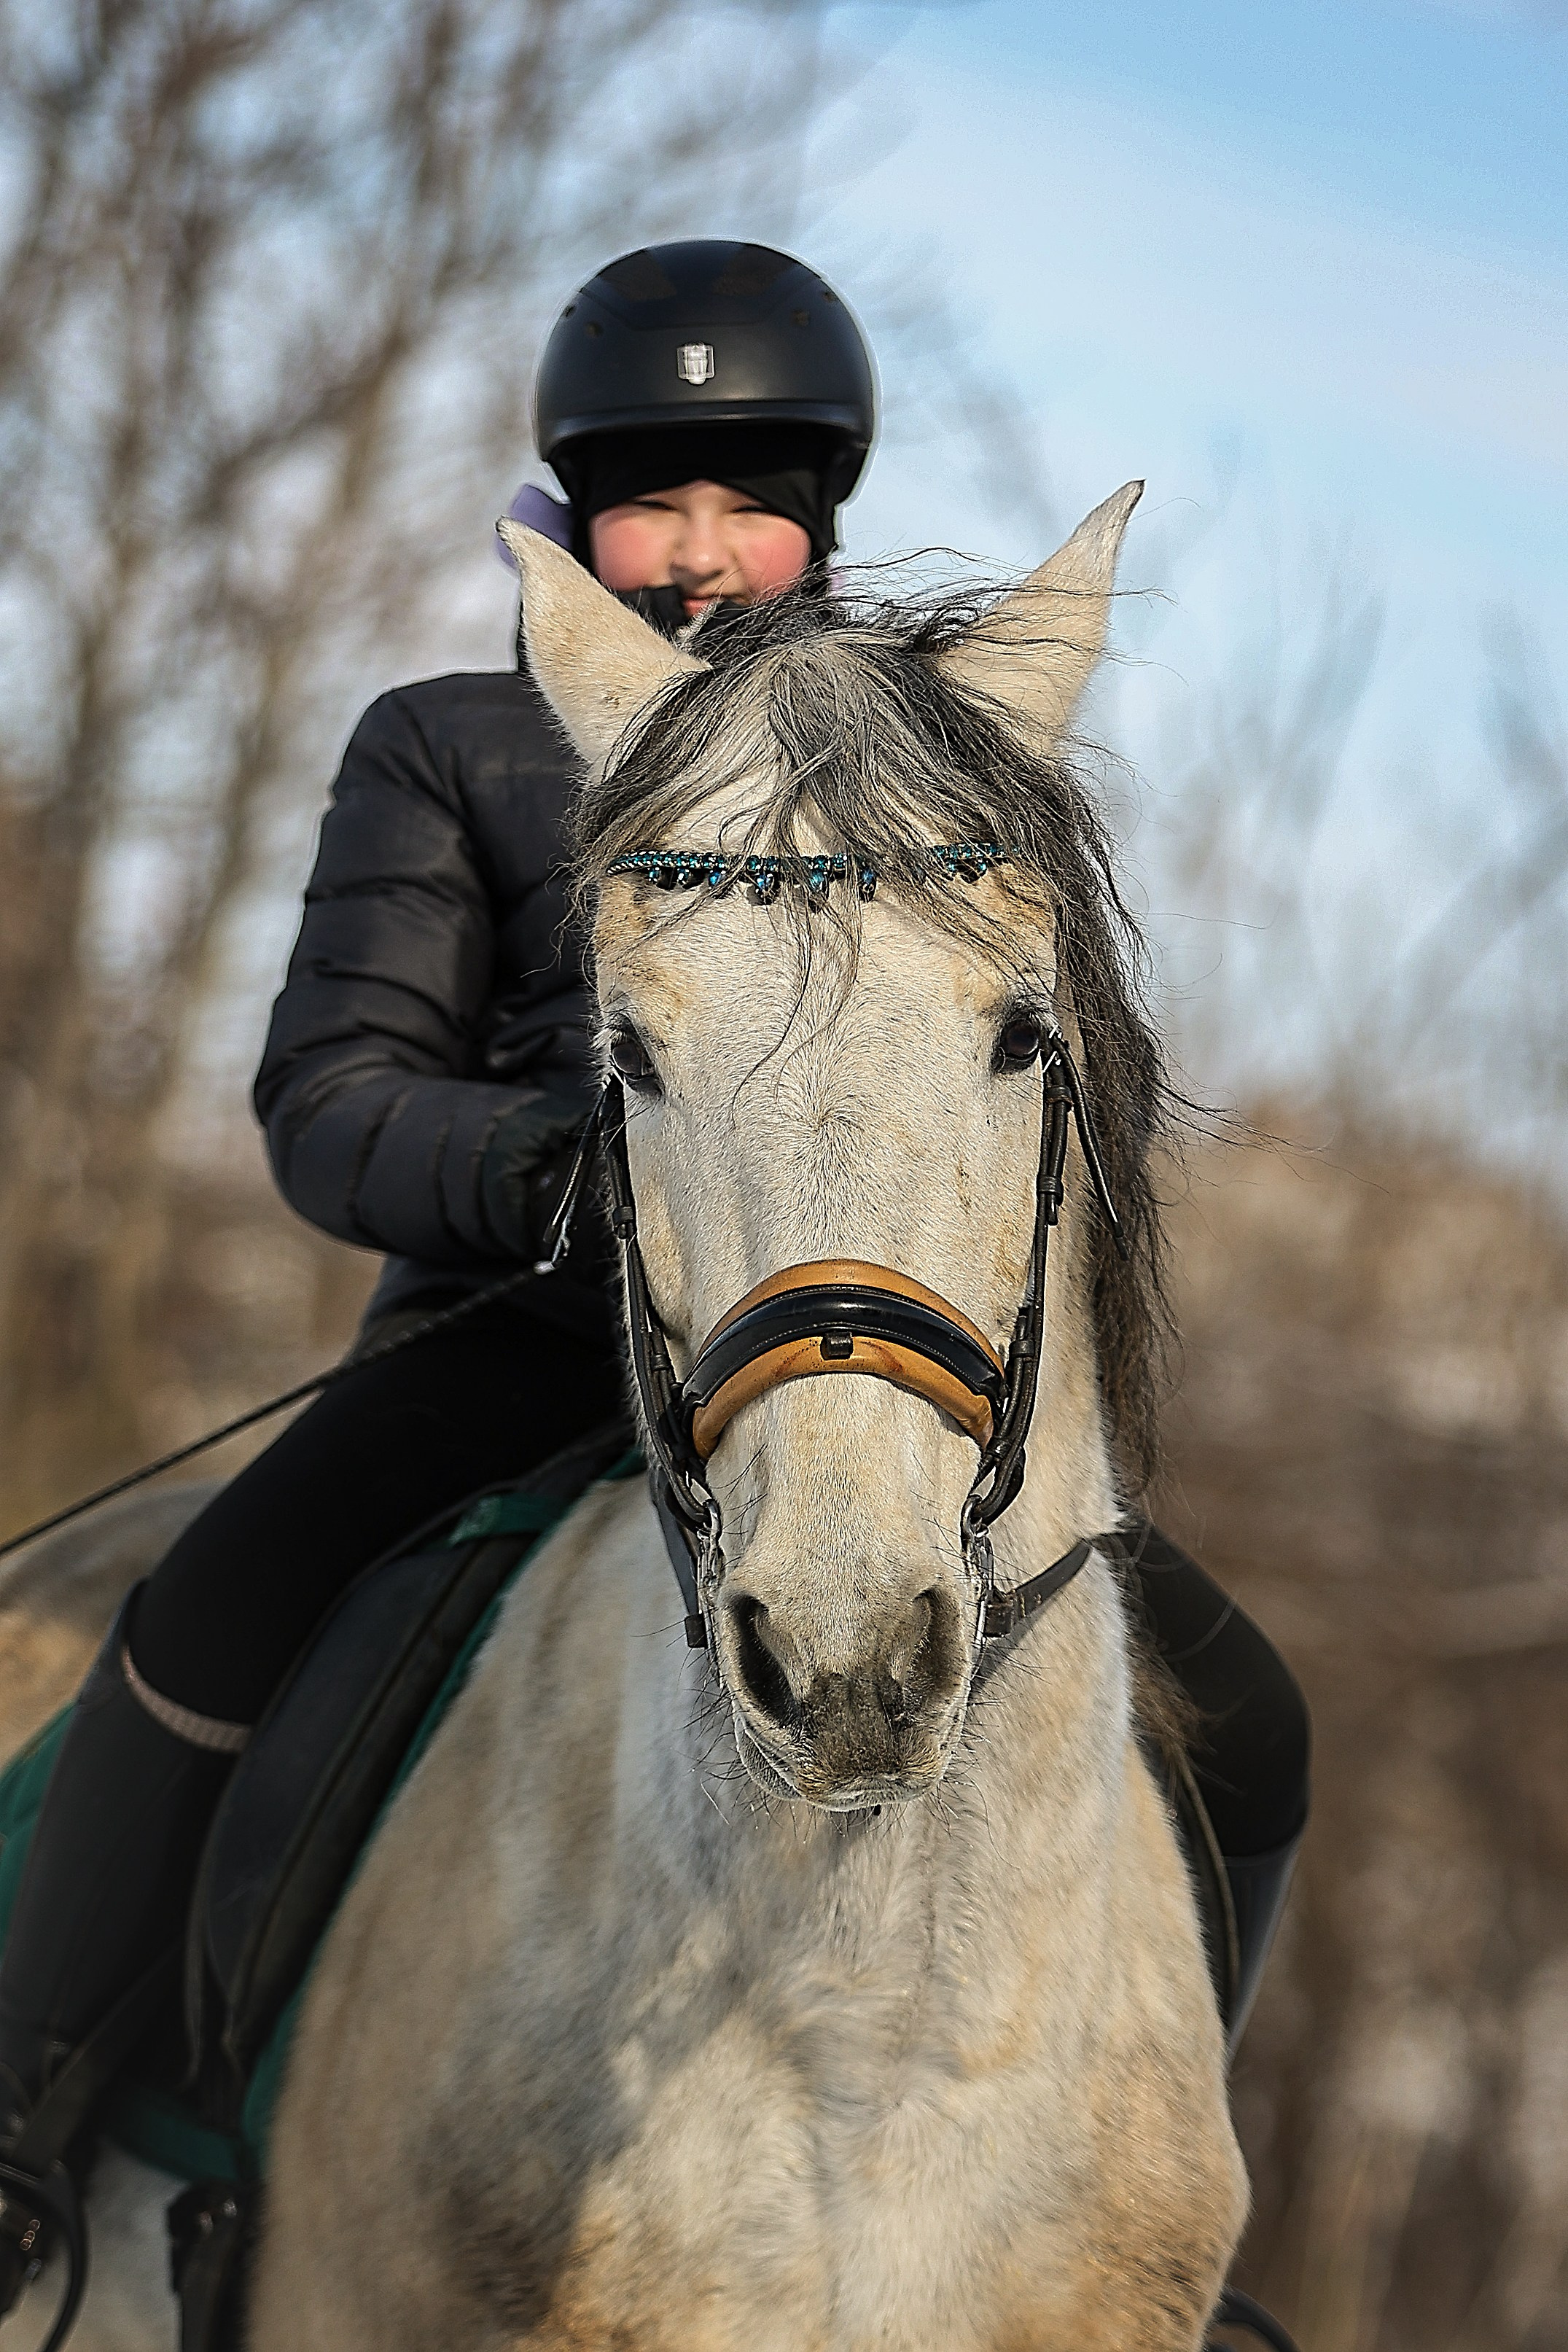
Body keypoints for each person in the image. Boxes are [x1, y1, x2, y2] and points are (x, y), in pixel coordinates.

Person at [0, 241, 1306, 2302]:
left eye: (747, 501)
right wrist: (555, 1168)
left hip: (855, 1351)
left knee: (1252, 1714)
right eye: (649, 500)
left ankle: (1151, 2217)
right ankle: (30, 2103)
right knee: (221, 1605)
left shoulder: (934, 776)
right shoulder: (453, 742)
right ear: (575, 514)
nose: (699, 550)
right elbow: (333, 1094)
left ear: (825, 517)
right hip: (520, 1331)